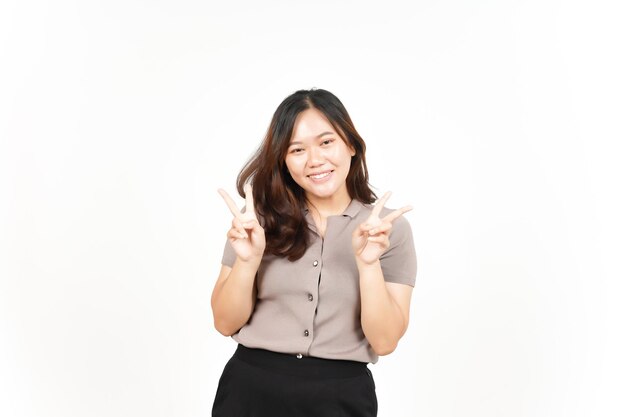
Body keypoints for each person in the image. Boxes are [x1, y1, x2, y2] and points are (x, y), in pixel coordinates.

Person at [211, 88, 417, 417]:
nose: (315, 160)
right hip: (250, 391)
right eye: (297, 149)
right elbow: (224, 322)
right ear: (284, 159)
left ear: (350, 144)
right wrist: (247, 262)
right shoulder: (258, 220)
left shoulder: (388, 231)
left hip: (340, 397)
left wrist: (368, 266)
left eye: (326, 142)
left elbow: (385, 342)